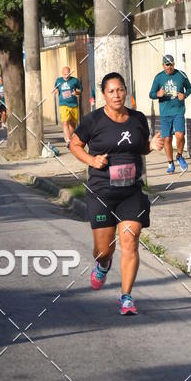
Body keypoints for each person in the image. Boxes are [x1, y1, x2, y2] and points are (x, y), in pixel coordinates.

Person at [70, 72, 163, 315]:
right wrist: (92, 159)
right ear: (103, 95)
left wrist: (151, 146)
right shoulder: (94, 120)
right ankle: (103, 264)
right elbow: (74, 144)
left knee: (130, 242)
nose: (116, 95)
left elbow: (140, 146)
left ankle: (126, 297)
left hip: (131, 192)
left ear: (126, 91)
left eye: (120, 90)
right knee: (103, 249)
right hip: (102, 191)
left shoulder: (138, 118)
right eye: (111, 91)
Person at [149, 54, 191, 174]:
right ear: (163, 65)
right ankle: (170, 163)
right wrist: (158, 94)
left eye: (171, 64)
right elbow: (151, 94)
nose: (169, 67)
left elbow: (189, 88)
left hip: (178, 111)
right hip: (165, 113)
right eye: (167, 65)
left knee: (180, 135)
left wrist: (184, 95)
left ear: (174, 64)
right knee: (167, 139)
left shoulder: (181, 75)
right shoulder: (159, 77)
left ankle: (179, 155)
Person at [54, 66, 82, 147]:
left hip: (73, 104)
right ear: (62, 73)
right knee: (65, 122)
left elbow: (80, 90)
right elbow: (56, 88)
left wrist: (76, 93)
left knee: (73, 124)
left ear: (70, 73)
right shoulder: (59, 81)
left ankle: (68, 136)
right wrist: (56, 91)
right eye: (65, 74)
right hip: (63, 104)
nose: (66, 76)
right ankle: (68, 139)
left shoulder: (74, 80)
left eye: (68, 74)